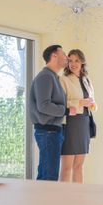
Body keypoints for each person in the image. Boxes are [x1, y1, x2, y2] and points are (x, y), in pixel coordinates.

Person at [28, 44, 75, 181]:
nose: (67, 57)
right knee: (49, 177)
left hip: (53, 131)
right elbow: (43, 105)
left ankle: (41, 202)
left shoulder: (53, 76)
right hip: (48, 132)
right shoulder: (46, 77)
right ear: (54, 56)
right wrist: (65, 111)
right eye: (64, 54)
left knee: (47, 175)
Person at [59, 49, 97, 183]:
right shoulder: (63, 80)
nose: (73, 64)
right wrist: (80, 102)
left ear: (82, 63)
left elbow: (92, 103)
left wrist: (91, 104)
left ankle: (79, 198)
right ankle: (64, 199)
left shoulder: (86, 80)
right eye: (70, 60)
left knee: (79, 166)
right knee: (67, 167)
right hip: (71, 123)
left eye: (77, 61)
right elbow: (61, 104)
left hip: (84, 123)